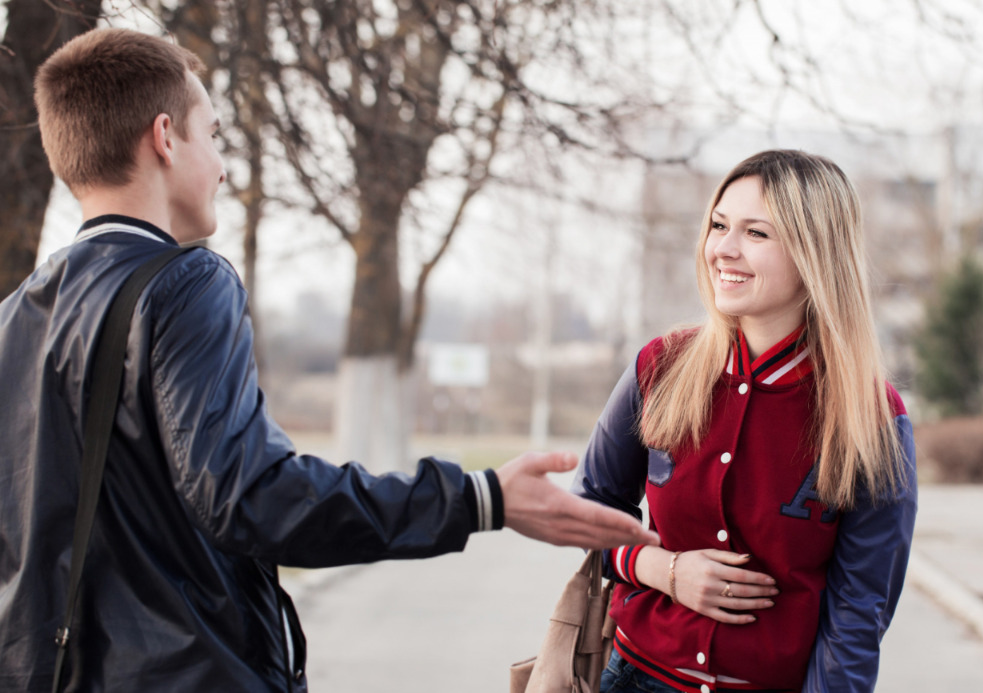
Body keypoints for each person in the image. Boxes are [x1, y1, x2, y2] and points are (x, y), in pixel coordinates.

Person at [0, 27, 658, 692]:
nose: (225, 165)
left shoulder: (16, 313)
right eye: (215, 134)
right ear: (165, 138)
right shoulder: (187, 281)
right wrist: (479, 497)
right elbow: (249, 496)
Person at [573, 149, 918, 693]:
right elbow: (586, 510)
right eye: (718, 226)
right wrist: (661, 569)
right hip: (633, 677)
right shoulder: (659, 367)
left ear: (815, 255)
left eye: (756, 233)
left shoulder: (871, 417)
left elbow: (859, 612)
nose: (723, 250)